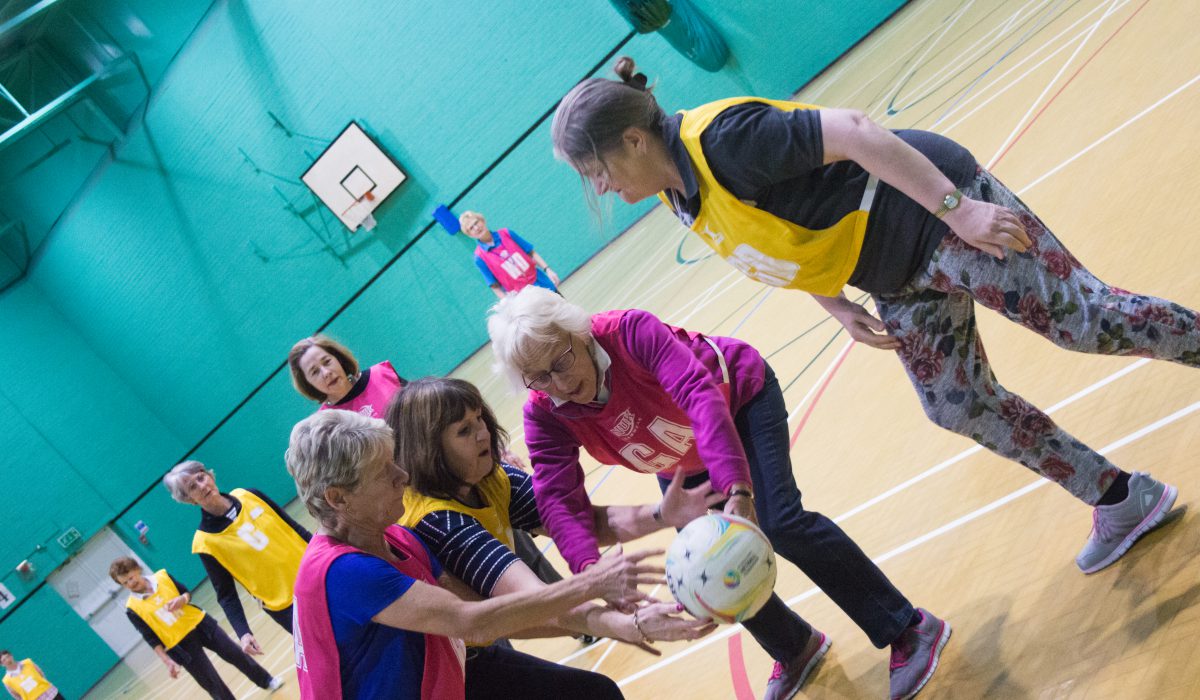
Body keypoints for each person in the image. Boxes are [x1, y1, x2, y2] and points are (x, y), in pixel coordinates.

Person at [550, 58, 1188, 580]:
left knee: (1087, 322)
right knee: (957, 401)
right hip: (893, 272)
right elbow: (767, 241)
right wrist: (834, 304)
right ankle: (1119, 498)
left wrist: (959, 210)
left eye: (596, 171)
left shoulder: (725, 141)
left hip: (935, 219)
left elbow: (855, 129)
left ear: (634, 140)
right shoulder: (675, 189)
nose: (599, 188)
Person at [487, 287, 947, 700]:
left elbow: (699, 396)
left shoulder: (629, 332)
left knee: (781, 523)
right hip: (678, 455)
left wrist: (738, 488)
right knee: (703, 558)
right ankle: (796, 647)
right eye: (540, 377)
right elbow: (558, 499)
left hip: (739, 401)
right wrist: (593, 573)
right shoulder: (546, 413)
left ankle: (908, 626)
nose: (560, 383)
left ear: (580, 333)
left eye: (562, 361)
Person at [284, 409, 662, 699]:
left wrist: (605, 622)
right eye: (384, 472)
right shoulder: (343, 572)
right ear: (338, 498)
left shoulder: (398, 538)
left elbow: (490, 617)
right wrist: (589, 584)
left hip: (450, 676)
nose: (402, 475)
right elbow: (472, 621)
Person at [386, 376, 717, 650]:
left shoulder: (488, 478)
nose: (484, 432)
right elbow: (536, 600)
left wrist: (662, 513)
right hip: (445, 658)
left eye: (479, 418)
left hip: (484, 631)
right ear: (429, 449)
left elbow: (577, 524)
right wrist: (626, 624)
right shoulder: (436, 521)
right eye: (463, 430)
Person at [288, 334, 572, 603]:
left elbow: (438, 414)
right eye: (314, 372)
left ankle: (568, 607)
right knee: (467, 581)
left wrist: (491, 449)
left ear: (339, 358)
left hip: (451, 477)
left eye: (326, 361)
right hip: (415, 507)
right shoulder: (329, 425)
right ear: (309, 385)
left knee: (521, 549)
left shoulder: (382, 375)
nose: (325, 372)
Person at [162, 460, 310, 655]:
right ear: (190, 500)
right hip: (286, 606)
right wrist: (243, 633)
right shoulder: (205, 542)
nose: (202, 485)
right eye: (192, 487)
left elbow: (294, 527)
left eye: (201, 477)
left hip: (316, 573)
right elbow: (226, 594)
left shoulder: (250, 495)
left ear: (210, 475)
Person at [109, 558, 281, 699]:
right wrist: (166, 660)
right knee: (210, 681)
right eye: (125, 583)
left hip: (200, 624)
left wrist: (182, 600)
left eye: (131, 578)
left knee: (235, 654)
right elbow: (150, 637)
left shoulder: (162, 576)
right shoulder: (132, 608)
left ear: (137, 569)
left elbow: (186, 593)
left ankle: (267, 680)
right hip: (179, 644)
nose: (130, 583)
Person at [460, 211, 561, 299]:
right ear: (470, 235)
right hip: (523, 297)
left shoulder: (507, 233)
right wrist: (509, 304)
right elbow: (494, 286)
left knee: (566, 314)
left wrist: (548, 269)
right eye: (471, 228)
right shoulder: (479, 258)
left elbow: (531, 252)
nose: (476, 228)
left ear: (483, 220)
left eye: (476, 223)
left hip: (541, 281)